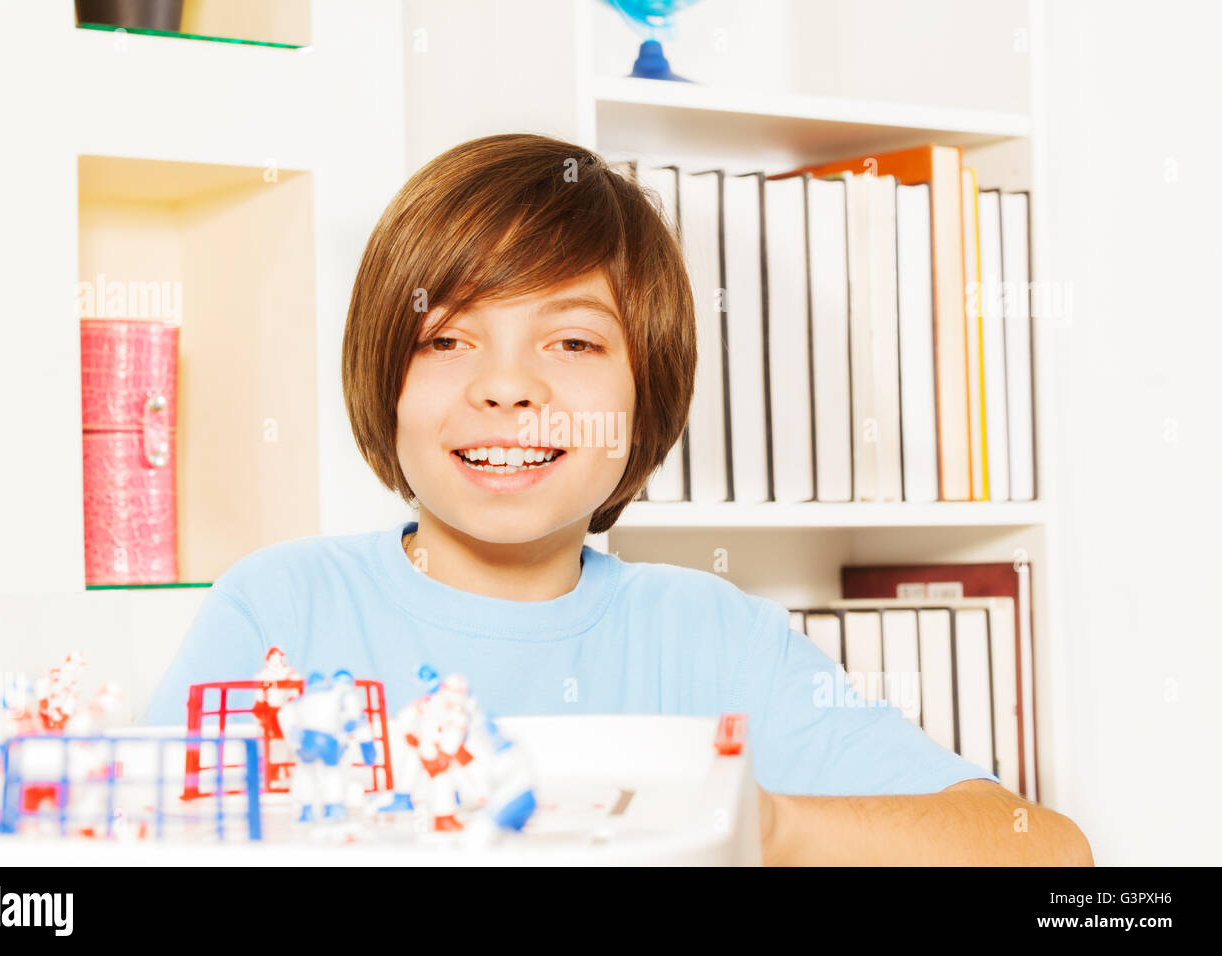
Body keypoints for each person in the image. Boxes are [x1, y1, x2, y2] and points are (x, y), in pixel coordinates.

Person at [141, 133, 1092, 865]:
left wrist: (758, 822)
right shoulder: (283, 610)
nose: (508, 389)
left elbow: (1042, 849)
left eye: (573, 343)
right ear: (382, 380)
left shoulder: (713, 637)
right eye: (448, 340)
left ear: (647, 403)